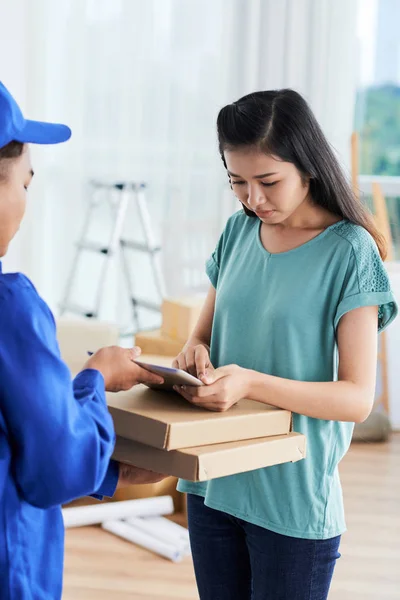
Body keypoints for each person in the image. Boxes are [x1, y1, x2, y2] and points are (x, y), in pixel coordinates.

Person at [172, 89, 398, 600]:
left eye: (268, 181)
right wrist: (193, 353)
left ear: (308, 167)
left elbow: (357, 399)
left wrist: (250, 382)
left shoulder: (350, 252)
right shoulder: (237, 232)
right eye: (238, 183)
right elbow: (201, 335)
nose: (254, 199)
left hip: (291, 499)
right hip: (213, 484)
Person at [0, 81, 166, 599]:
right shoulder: (12, 309)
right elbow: (55, 466)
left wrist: (107, 474)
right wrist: (97, 378)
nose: (26, 202)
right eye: (25, 184)